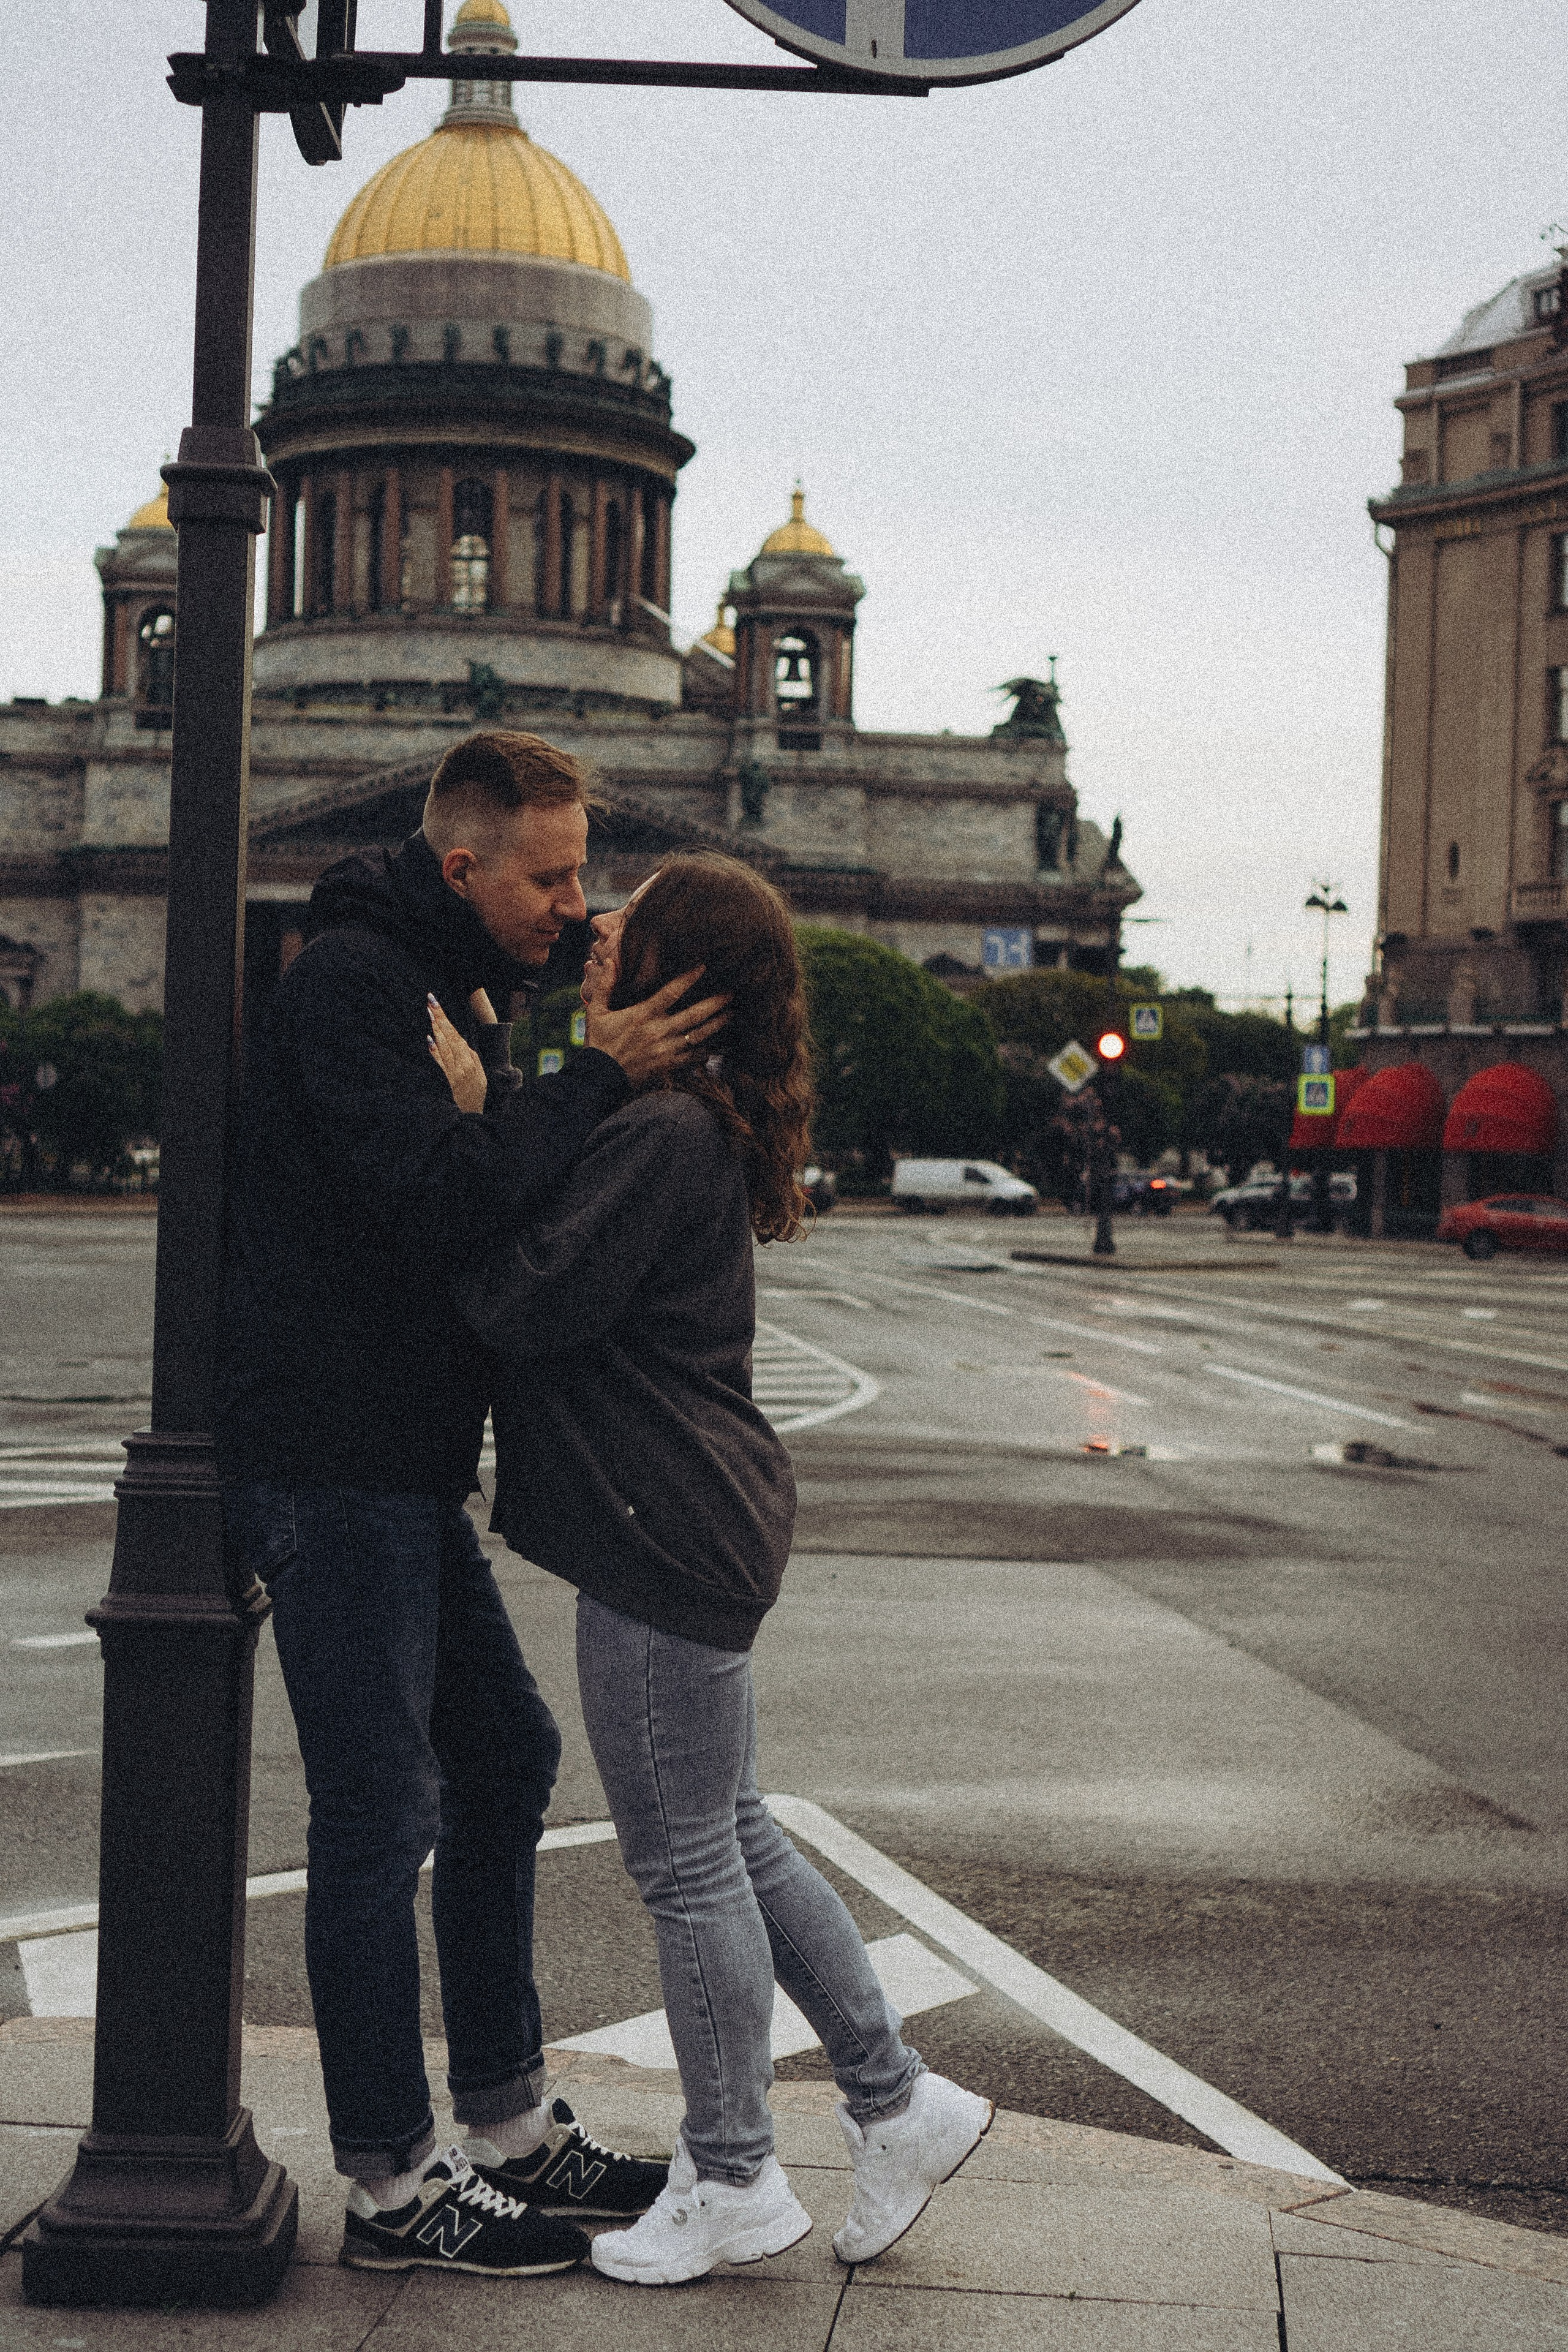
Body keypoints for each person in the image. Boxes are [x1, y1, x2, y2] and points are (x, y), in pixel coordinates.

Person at [430, 850, 992, 2288]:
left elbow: (517, 1298)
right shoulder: (677, 1125)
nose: (596, 926)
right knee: (731, 1832)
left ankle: (734, 2170)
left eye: (626, 919)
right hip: (695, 1516)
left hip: (660, 1527)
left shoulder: (660, 1135)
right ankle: (892, 2098)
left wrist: (484, 1121)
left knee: (684, 1860)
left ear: (672, 975)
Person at [218, 731, 724, 2278]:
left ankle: (505, 2128)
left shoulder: (448, 983)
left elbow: (482, 1180)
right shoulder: (354, 987)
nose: (577, 902)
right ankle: (390, 2182)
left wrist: (545, 1067)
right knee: (382, 1810)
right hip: (329, 1450)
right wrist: (587, 1078)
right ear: (462, 867)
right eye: (552, 875)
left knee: (500, 1757)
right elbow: (438, 1199)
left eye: (582, 874)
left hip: (395, 1456)